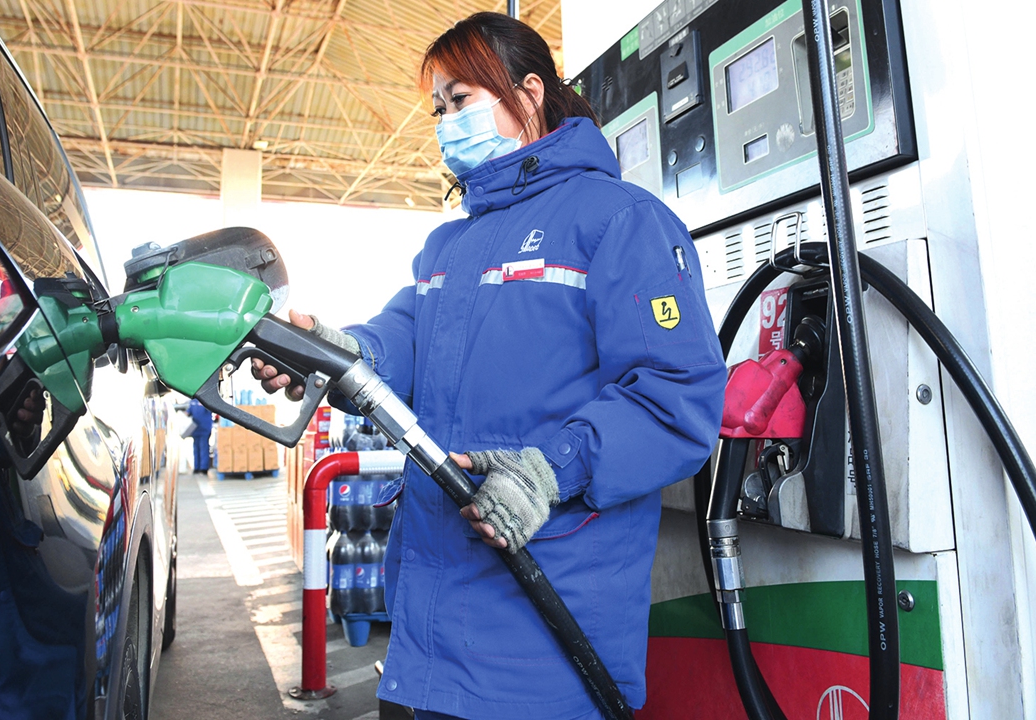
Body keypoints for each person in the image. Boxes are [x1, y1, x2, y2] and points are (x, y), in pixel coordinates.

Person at [254, 12, 726, 719]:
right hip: (427, 645)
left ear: (528, 94)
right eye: (438, 108)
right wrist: (332, 353)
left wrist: (552, 467)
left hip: (545, 638)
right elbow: (400, 339)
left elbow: (677, 397)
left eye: (462, 99)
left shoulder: (618, 220)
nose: (445, 121)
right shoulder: (448, 247)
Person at [187, 398, 214, 474]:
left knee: (204, 448)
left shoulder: (206, 400)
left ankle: (204, 468)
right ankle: (197, 467)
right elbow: (189, 412)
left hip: (205, 429)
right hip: (195, 430)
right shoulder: (192, 401)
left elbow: (211, 409)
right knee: (196, 449)